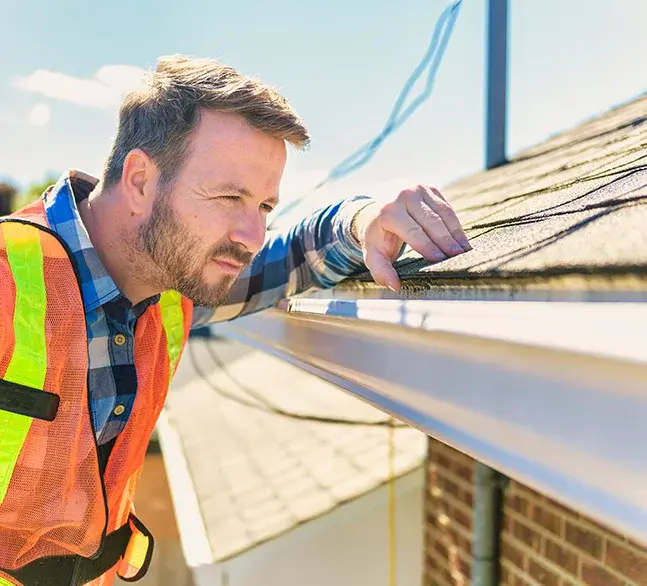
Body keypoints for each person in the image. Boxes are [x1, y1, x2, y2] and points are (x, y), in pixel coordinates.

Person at [0, 55, 470, 586]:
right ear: (138, 181)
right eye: (230, 197)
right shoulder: (6, 281)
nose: (251, 235)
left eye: (266, 206)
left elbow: (292, 257)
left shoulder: (174, 284)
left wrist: (366, 219)